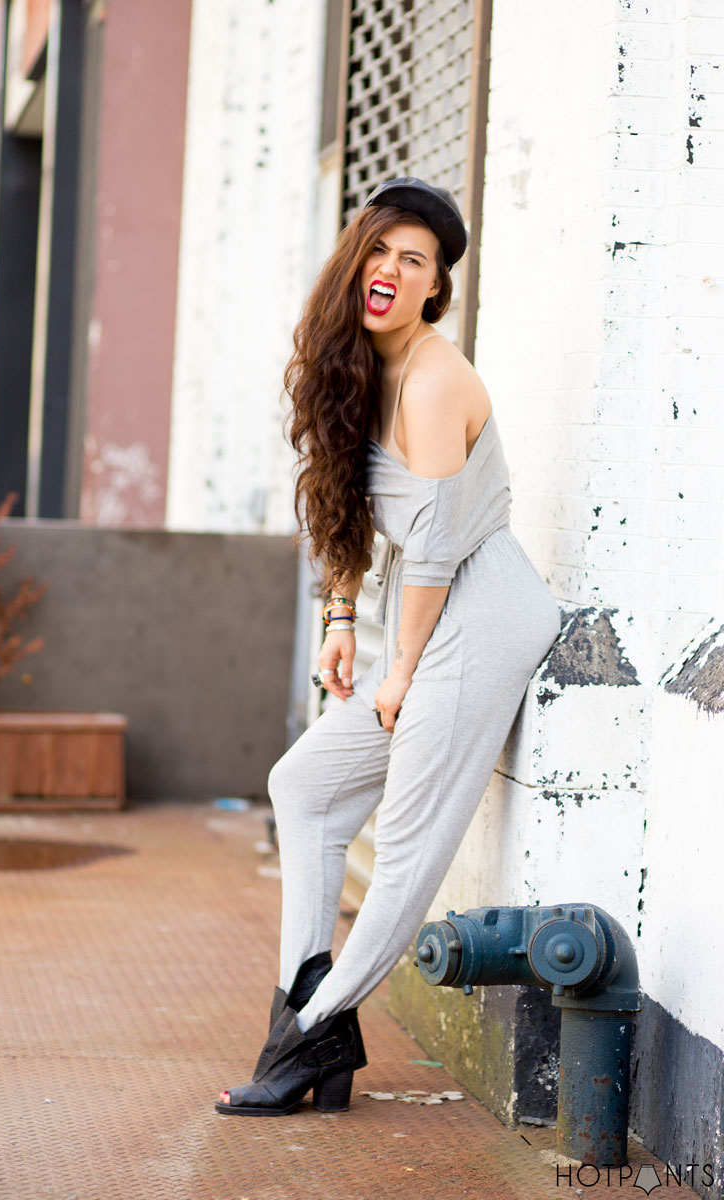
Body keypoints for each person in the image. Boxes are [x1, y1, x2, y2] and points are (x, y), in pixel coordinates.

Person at [215, 177, 562, 1117]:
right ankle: (306, 1011)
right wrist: (338, 620)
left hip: (478, 612)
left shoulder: (437, 376)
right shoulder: (359, 370)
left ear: (434, 290)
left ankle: (309, 1038)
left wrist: (399, 669)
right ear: (355, 262)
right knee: (307, 786)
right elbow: (350, 518)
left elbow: (438, 549)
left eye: (416, 261)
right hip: (429, 612)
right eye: (380, 250)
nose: (391, 270)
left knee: (405, 843)